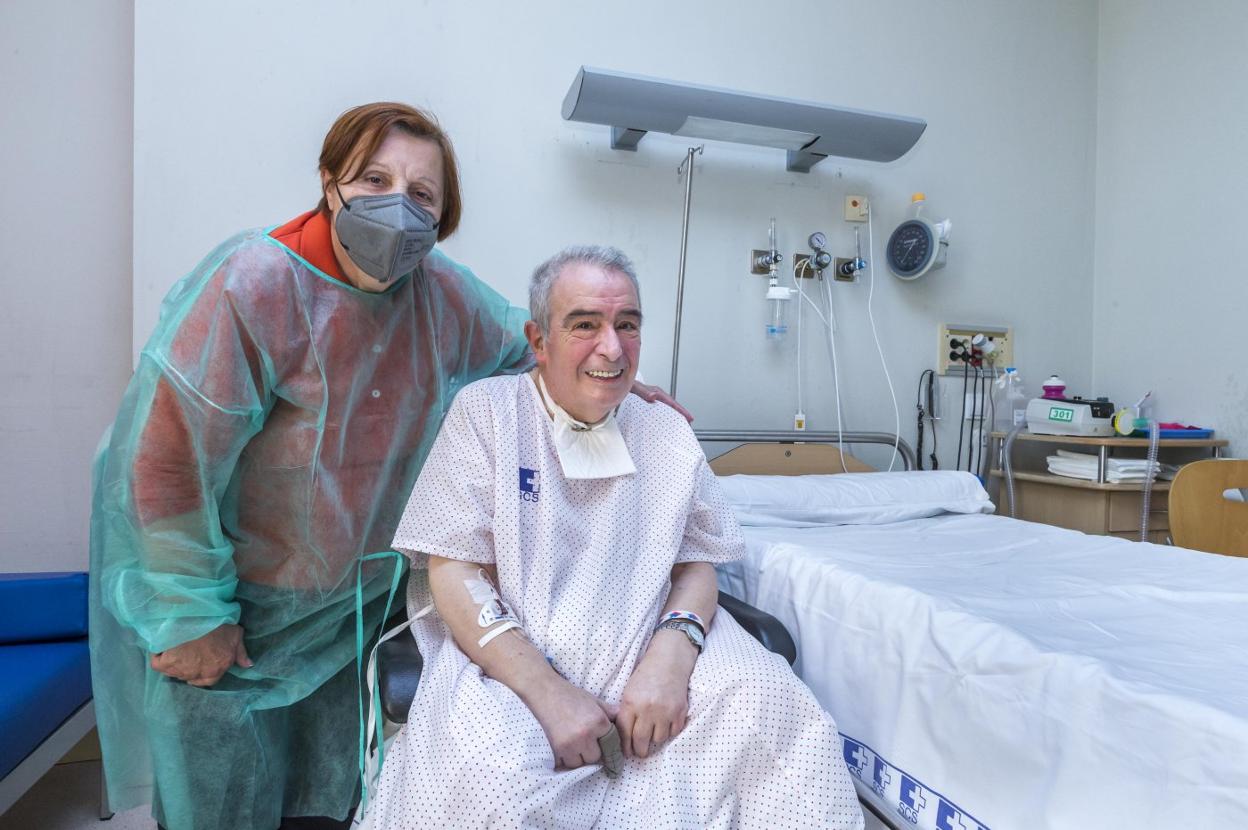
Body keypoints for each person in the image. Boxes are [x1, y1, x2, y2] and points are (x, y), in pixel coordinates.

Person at [88, 104, 683, 830]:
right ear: (330, 181)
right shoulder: (254, 287)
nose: (398, 203)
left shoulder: (442, 297)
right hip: (238, 619)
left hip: (357, 619)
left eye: (422, 194)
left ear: (442, 216)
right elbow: (168, 461)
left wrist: (610, 371)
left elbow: (534, 351)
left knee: (327, 804)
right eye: (375, 178)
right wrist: (190, 615)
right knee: (226, 803)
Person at [363, 246, 865, 829]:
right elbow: (454, 569)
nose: (612, 347)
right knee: (493, 779)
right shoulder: (488, 414)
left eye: (627, 325)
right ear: (538, 339)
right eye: (585, 325)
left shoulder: (664, 430)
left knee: (776, 713)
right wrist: (548, 693)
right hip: (512, 652)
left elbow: (698, 561)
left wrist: (673, 658)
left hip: (649, 638)